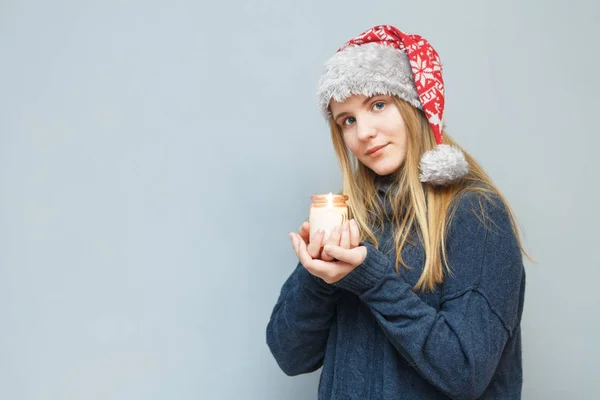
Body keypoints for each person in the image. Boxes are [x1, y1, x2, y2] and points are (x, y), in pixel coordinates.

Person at [266, 24, 529, 399]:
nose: (364, 132)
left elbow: (466, 372)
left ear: (414, 105)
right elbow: (290, 357)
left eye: (378, 105)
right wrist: (318, 278)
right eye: (347, 120)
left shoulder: (475, 213)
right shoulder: (351, 219)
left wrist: (372, 280)